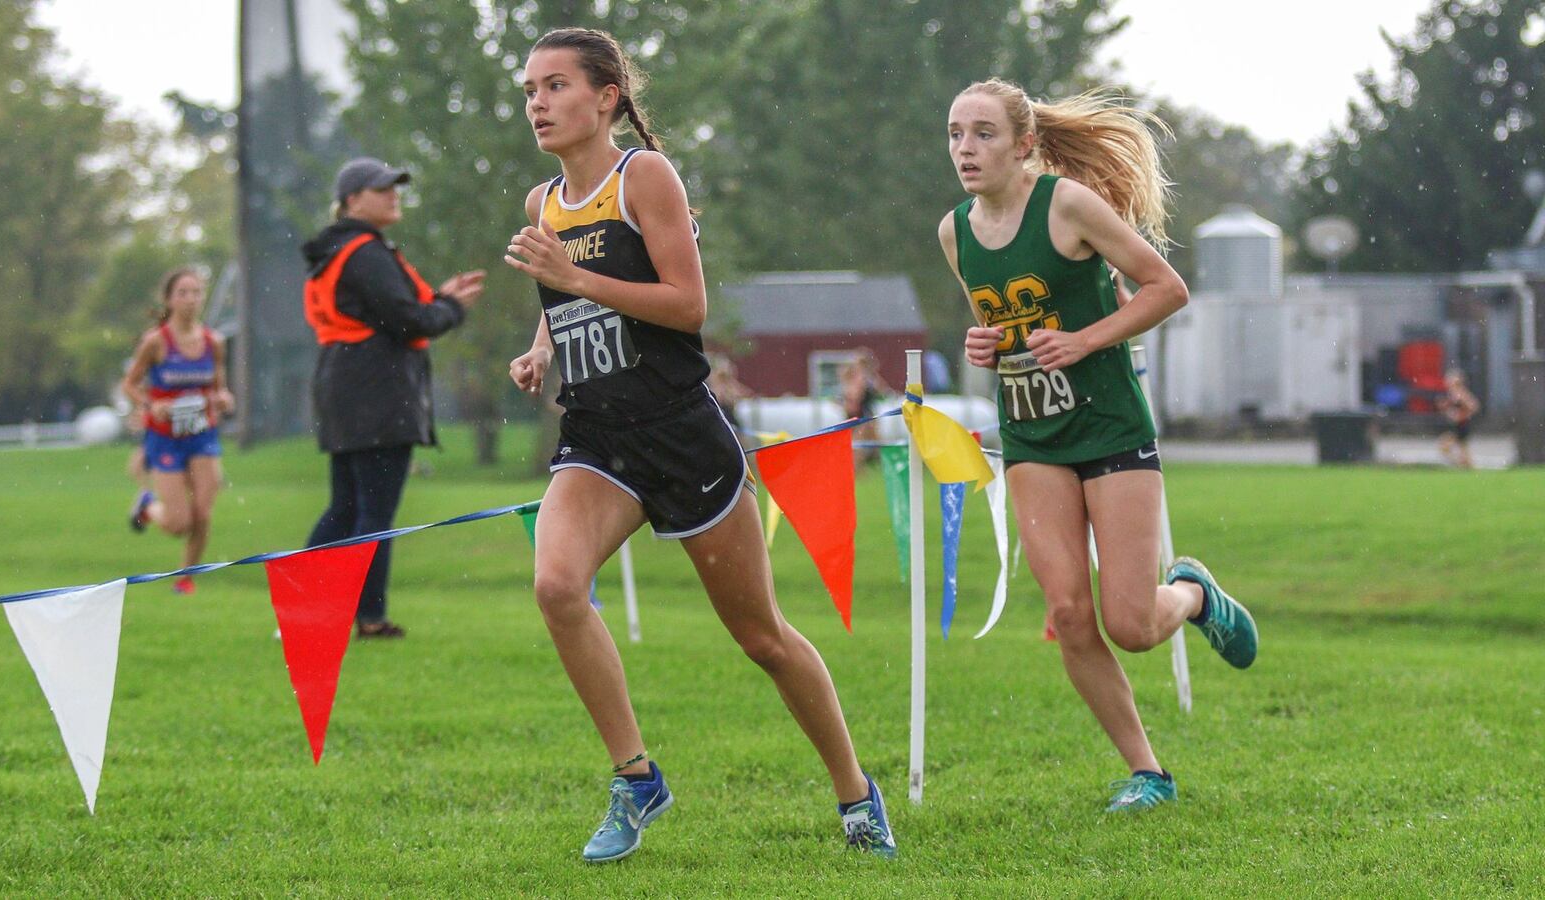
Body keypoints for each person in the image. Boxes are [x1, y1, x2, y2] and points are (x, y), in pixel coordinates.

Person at [503, 28, 895, 862]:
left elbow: (685, 306)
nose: (537, 103)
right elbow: (564, 296)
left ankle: (857, 793)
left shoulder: (644, 176)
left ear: (605, 96)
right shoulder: (542, 203)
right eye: (530, 88)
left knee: (762, 639)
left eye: (555, 86)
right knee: (556, 585)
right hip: (598, 439)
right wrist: (543, 342)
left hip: (684, 438)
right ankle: (636, 777)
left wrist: (571, 280)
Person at [938, 78, 1259, 813]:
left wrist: (1085, 339)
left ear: (1023, 145)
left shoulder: (1068, 205)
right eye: (955, 133)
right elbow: (1007, 323)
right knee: (1070, 615)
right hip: (1030, 434)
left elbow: (1164, 288)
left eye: (983, 133)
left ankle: (1190, 592)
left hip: (1110, 424)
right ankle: (1148, 772)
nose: (965, 148)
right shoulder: (954, 231)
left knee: (1131, 624)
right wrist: (984, 344)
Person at [301, 157, 485, 639]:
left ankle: (308, 609)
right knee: (373, 514)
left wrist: (437, 300)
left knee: (345, 508)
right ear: (351, 201)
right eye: (381, 188)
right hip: (375, 395)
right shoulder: (366, 252)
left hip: (343, 389)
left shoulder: (341, 249)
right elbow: (408, 322)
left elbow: (391, 311)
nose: (392, 194)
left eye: (394, 186)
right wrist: (450, 308)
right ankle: (367, 617)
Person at [121, 268, 235, 594]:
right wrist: (148, 405)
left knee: (203, 513)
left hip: (202, 435)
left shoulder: (214, 342)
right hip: (165, 437)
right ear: (169, 300)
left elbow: (218, 388)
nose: (190, 299)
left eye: (196, 292)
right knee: (178, 523)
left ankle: (186, 579)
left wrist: (224, 399)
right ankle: (147, 507)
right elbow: (129, 384)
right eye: (183, 293)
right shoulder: (156, 342)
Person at [1436, 368, 1480, 469]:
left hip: (1462, 425)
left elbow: (1473, 406)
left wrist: (1461, 415)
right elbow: (1451, 409)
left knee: (1445, 447)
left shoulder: (1461, 393)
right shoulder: (1453, 394)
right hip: (1457, 425)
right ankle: (1465, 466)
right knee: (1461, 450)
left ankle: (1462, 465)